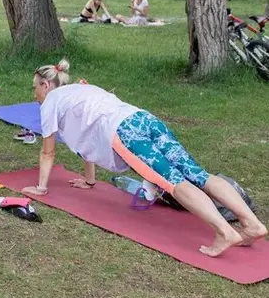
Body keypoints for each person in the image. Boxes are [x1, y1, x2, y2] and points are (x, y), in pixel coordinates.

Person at [22, 59, 267, 257]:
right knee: (197, 174)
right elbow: (87, 140)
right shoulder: (82, 88)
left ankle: (224, 231)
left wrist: (42, 187)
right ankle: (252, 224)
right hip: (143, 118)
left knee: (171, 181)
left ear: (45, 84)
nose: (35, 95)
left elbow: (48, 151)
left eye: (35, 88)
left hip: (125, 132)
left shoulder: (51, 101)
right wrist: (89, 180)